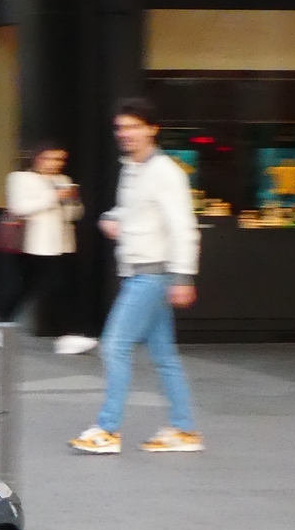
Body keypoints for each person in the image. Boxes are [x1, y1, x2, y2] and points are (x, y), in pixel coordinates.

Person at [70, 98, 203, 455]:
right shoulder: (133, 169)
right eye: (120, 127)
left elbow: (183, 227)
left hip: (153, 275)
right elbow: (135, 212)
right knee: (164, 355)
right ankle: (184, 428)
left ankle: (108, 428)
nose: (124, 134)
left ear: (152, 129)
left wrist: (182, 277)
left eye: (133, 126)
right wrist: (113, 218)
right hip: (144, 273)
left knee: (115, 346)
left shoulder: (165, 172)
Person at [0, 143, 95, 355]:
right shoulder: (20, 178)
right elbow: (19, 208)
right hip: (31, 244)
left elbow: (75, 215)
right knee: (26, 287)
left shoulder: (64, 180)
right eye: (50, 158)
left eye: (60, 160)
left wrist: (72, 202)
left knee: (57, 287)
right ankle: (2, 326)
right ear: (37, 158)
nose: (55, 164)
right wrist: (54, 197)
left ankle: (67, 335)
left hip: (60, 244)